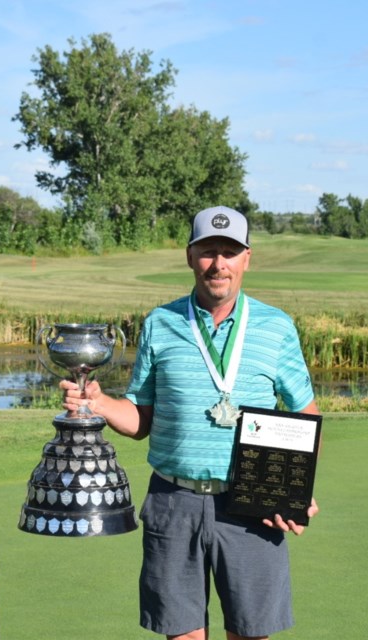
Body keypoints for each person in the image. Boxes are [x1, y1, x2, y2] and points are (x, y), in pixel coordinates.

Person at [61, 205, 320, 640]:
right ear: (190, 256)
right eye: (208, 251)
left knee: (251, 633)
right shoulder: (160, 323)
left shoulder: (276, 327)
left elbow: (303, 414)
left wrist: (295, 490)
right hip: (173, 500)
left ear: (247, 259)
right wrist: (99, 401)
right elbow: (141, 418)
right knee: (181, 635)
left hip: (250, 503)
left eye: (230, 252)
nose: (218, 264)